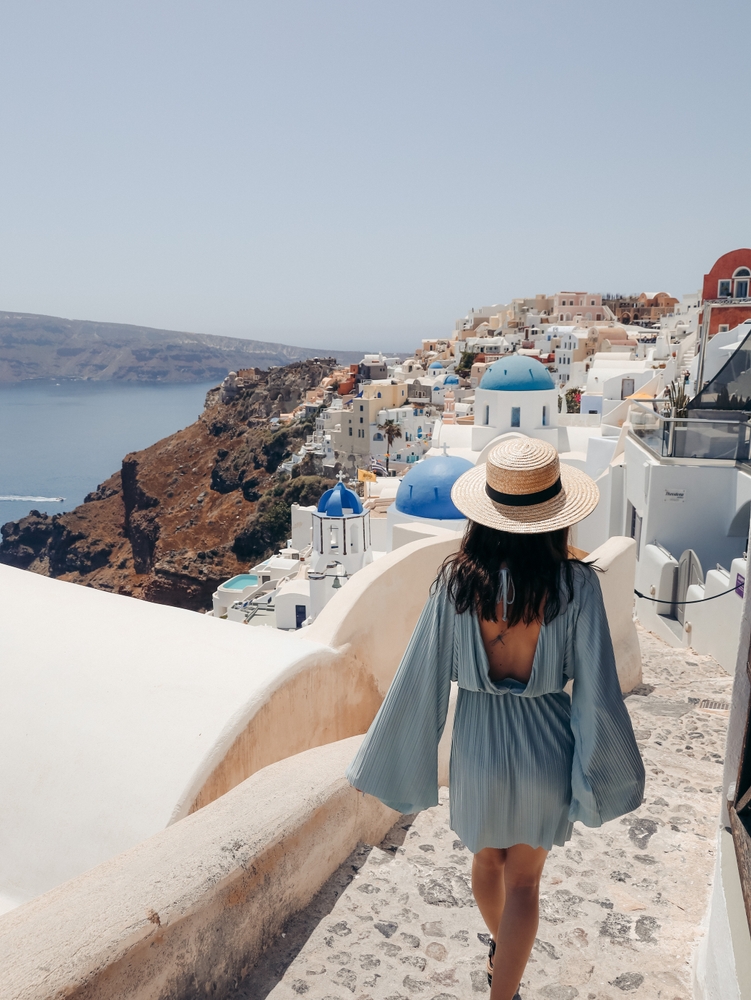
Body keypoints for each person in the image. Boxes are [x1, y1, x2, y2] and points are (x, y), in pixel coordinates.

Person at [347, 437, 645, 1000]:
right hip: (544, 743)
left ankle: (501, 957)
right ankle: (504, 980)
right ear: (555, 517)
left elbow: (421, 677)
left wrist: (398, 759)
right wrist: (602, 765)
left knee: (485, 862)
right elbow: (597, 687)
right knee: (526, 884)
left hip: (478, 743)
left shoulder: (455, 581)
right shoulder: (575, 585)